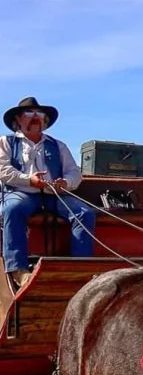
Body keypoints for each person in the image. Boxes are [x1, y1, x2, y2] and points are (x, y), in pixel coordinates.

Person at [0, 97, 95, 287]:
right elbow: (3, 170)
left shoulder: (58, 145)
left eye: (40, 114)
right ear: (18, 119)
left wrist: (66, 183)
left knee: (85, 213)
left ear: (45, 120)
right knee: (12, 209)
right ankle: (18, 269)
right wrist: (30, 180)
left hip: (55, 194)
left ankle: (79, 270)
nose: (36, 117)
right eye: (29, 113)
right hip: (22, 193)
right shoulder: (6, 142)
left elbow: (74, 172)